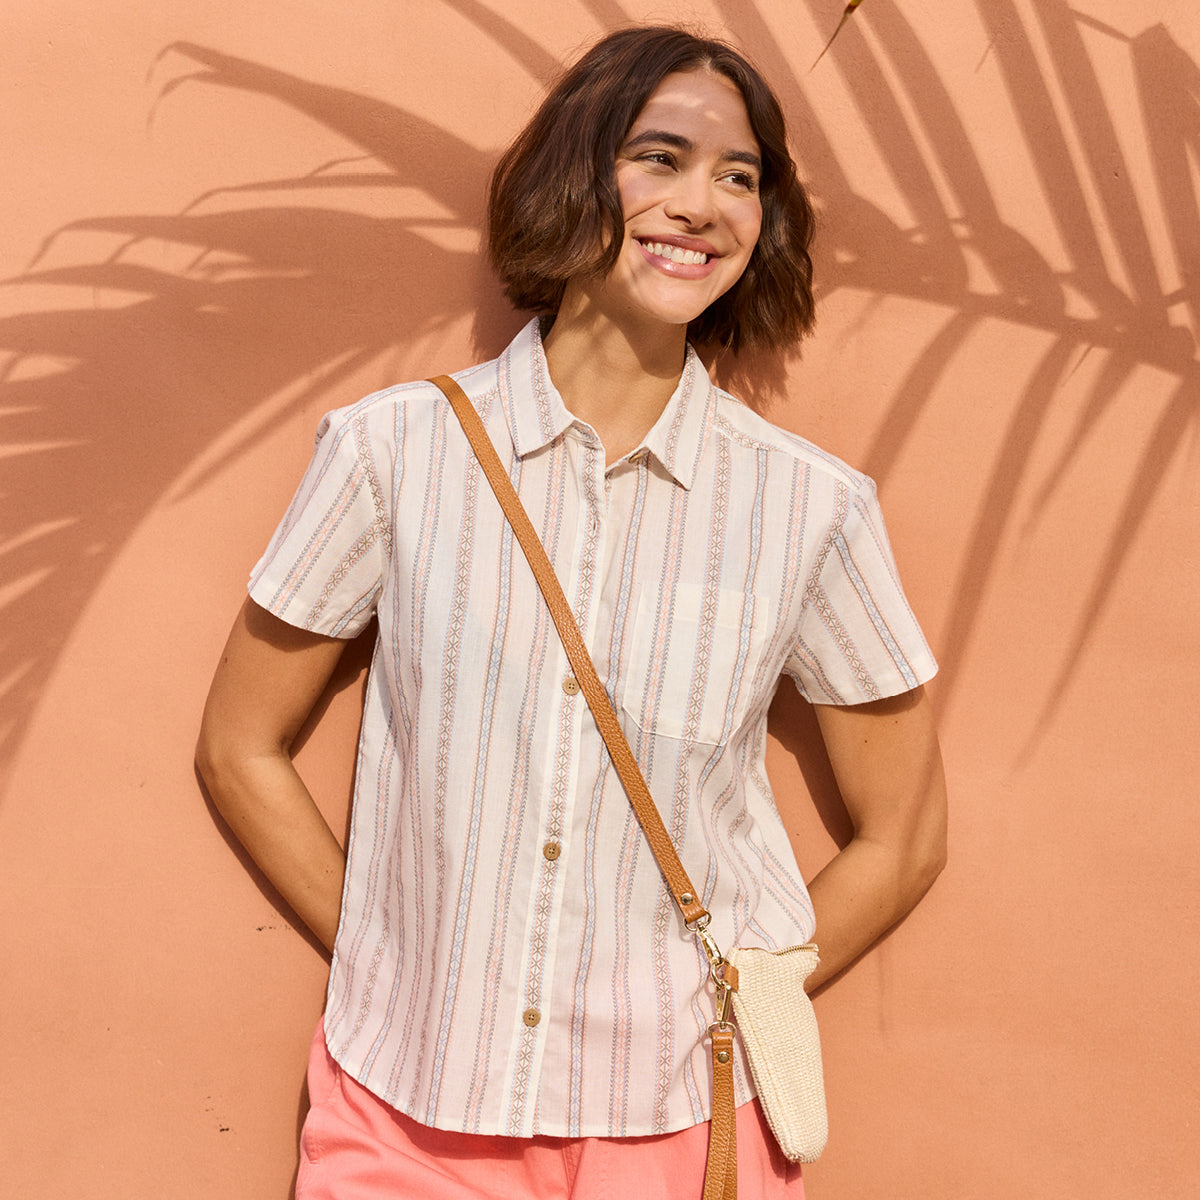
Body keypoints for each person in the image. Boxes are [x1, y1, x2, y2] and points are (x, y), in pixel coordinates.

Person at [196, 25, 947, 1200]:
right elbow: (241, 744)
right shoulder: (393, 453)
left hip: (681, 1122)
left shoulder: (810, 509)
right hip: (407, 1110)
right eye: (660, 157)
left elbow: (905, 833)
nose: (702, 204)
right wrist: (394, 963)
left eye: (739, 176)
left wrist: (750, 993)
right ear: (573, 172)